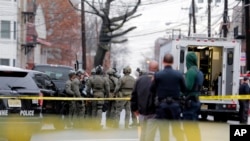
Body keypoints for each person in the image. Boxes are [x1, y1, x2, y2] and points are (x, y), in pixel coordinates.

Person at [147, 53, 185, 141]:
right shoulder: (178, 75)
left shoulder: (158, 75)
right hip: (175, 105)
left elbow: (152, 89)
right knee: (177, 130)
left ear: (163, 62)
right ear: (173, 62)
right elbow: (184, 89)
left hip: (162, 106)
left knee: (163, 131)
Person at [131, 60, 159, 141]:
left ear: (148, 68)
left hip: (141, 112)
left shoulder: (139, 80)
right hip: (153, 112)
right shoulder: (158, 80)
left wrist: (134, 109)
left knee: (143, 132)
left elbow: (134, 95)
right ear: (157, 68)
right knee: (150, 134)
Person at [182, 52, 202, 141]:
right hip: (196, 101)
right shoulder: (199, 72)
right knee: (195, 126)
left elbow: (187, 87)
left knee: (188, 126)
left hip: (190, 102)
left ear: (188, 61)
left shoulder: (190, 72)